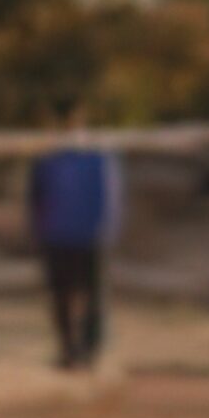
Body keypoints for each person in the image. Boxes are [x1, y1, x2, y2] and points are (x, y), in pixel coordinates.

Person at [26, 97, 123, 370]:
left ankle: (88, 350)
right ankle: (68, 350)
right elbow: (35, 198)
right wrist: (38, 230)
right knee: (61, 296)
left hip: (87, 235)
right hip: (56, 235)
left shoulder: (96, 158)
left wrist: (108, 229)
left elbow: (109, 196)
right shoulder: (46, 160)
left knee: (90, 295)